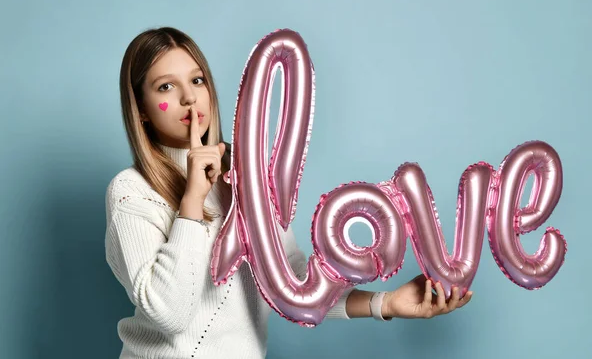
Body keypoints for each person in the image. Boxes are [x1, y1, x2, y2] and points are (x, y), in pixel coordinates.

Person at [104, 26, 473, 359]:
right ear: (142, 112)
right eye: (166, 86)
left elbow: (293, 281)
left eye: (197, 80)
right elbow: (169, 313)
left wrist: (386, 303)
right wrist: (191, 199)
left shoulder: (244, 176)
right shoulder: (131, 192)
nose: (189, 97)